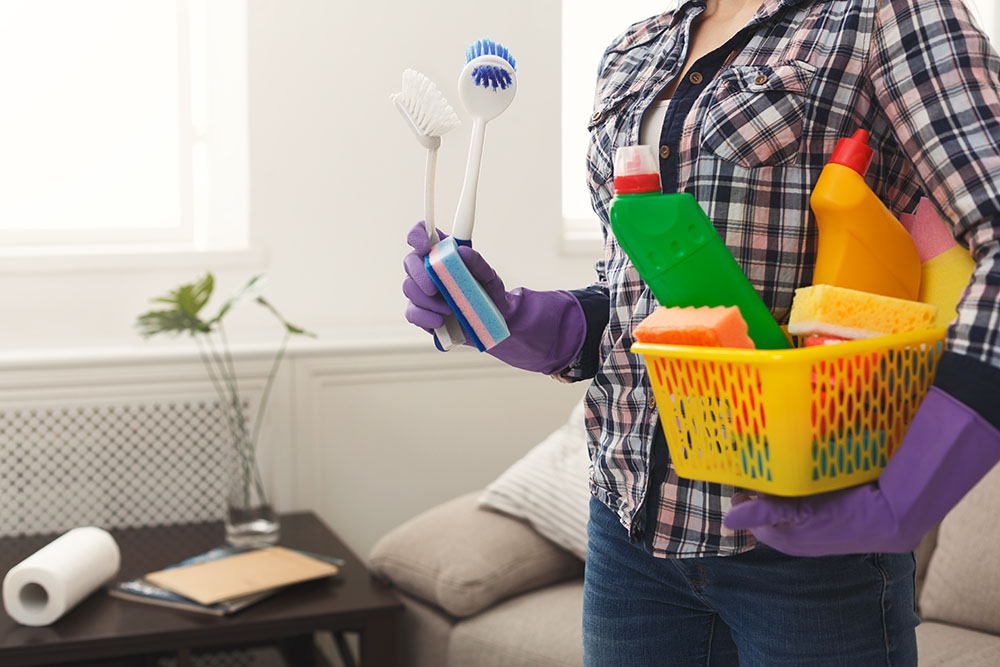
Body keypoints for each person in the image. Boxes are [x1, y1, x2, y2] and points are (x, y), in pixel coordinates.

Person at [402, 0, 1000, 664]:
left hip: (809, 556)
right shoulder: (635, 50)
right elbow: (638, 293)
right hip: (628, 538)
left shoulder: (883, 17)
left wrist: (912, 491)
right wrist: (521, 318)